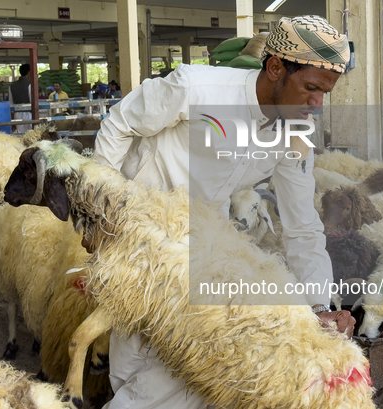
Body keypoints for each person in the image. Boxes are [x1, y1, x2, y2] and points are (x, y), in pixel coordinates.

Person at [94, 15, 354, 409]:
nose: (316, 105)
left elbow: (302, 225)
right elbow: (119, 124)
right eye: (311, 88)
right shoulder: (197, 87)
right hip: (141, 236)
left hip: (201, 245)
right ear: (276, 68)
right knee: (134, 362)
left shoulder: (295, 132)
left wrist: (319, 305)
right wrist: (100, 213)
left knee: (188, 370)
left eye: (324, 93)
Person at [8, 63, 32, 134]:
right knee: (31, 135)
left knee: (19, 136)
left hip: (17, 114)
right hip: (29, 113)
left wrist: (12, 121)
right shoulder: (30, 84)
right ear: (29, 72)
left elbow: (11, 104)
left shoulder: (12, 86)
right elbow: (32, 101)